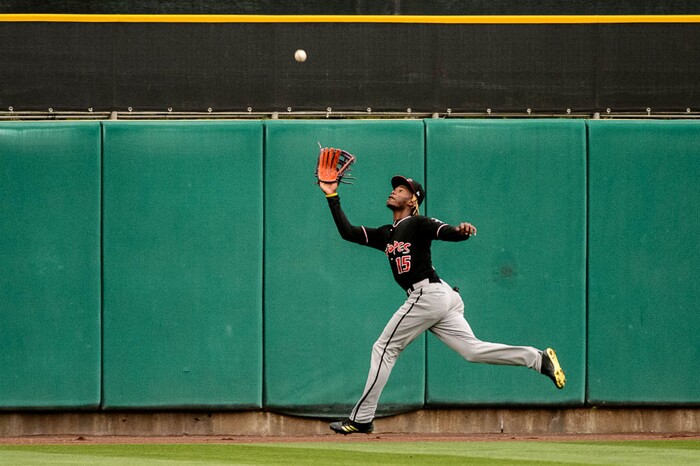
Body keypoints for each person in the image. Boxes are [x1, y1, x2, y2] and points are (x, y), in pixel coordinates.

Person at [320, 175, 566, 435]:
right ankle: (537, 359)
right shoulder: (386, 234)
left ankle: (361, 418)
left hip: (428, 295)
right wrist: (331, 195)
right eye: (394, 188)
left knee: (383, 349)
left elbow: (444, 231)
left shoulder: (417, 222)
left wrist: (460, 231)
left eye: (401, 189)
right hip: (439, 296)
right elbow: (348, 232)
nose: (394, 192)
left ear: (413, 199)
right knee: (473, 350)